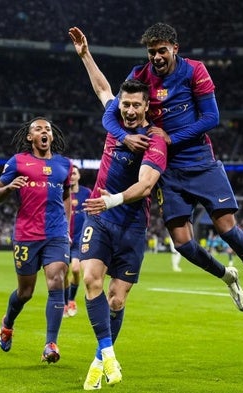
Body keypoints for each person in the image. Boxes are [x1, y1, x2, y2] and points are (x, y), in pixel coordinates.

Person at [101, 22, 243, 306]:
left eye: (161, 51)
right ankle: (226, 276)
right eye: (151, 52)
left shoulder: (194, 70)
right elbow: (110, 116)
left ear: (175, 49)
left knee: (226, 227)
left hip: (199, 160)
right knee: (182, 243)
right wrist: (125, 137)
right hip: (165, 169)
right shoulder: (139, 75)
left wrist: (171, 138)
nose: (156, 57)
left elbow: (211, 118)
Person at [70, 26, 167, 390]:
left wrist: (111, 198)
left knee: (116, 298)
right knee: (91, 281)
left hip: (131, 225)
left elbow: (144, 186)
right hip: (99, 216)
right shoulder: (114, 121)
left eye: (134, 105)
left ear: (145, 108)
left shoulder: (155, 142)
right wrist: (85, 55)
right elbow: (101, 88)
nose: (127, 110)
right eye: (124, 104)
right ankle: (109, 354)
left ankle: (98, 361)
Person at [0, 116, 73, 364]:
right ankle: (7, 323)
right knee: (25, 292)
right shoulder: (18, 162)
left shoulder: (64, 165)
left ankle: (50, 343)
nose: (44, 131)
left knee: (57, 280)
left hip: (56, 234)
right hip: (27, 235)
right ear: (30, 137)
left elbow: (67, 194)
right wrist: (9, 188)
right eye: (38, 129)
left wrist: (67, 227)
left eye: (47, 129)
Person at [64, 165, 92, 318]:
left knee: (75, 269)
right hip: (64, 239)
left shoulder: (86, 193)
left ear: (79, 176)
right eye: (70, 174)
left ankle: (71, 299)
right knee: (63, 273)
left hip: (79, 240)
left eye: (74, 173)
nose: (72, 176)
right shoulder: (63, 192)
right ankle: (64, 303)